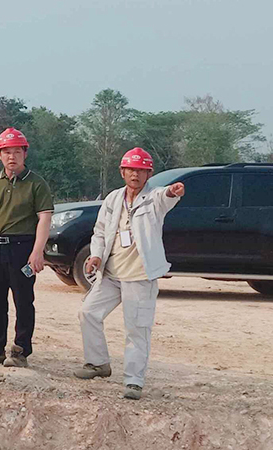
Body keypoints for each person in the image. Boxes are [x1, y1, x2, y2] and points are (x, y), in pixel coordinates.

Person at [74, 147, 185, 400]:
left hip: (139, 276)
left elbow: (166, 196)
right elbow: (100, 231)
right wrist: (96, 255)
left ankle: (134, 380)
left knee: (136, 328)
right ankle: (98, 363)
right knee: (88, 313)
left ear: (149, 174)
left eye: (141, 170)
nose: (135, 175)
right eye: (131, 170)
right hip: (111, 274)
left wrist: (173, 191)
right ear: (122, 171)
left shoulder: (154, 198)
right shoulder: (114, 198)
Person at [0, 128, 53, 368]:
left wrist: (37, 251)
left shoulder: (36, 184)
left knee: (23, 300)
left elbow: (44, 218)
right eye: (6, 152)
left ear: (25, 153)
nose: (11, 157)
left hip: (22, 248)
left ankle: (20, 350)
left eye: (16, 152)